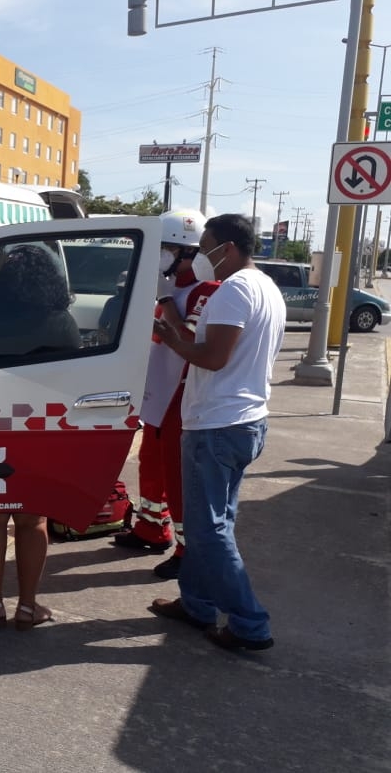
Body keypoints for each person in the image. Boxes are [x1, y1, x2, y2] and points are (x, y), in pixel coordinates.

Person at [149, 213, 285, 651]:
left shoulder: (234, 290)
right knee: (214, 521)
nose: (200, 253)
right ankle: (197, 603)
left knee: (207, 529)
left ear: (226, 248)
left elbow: (211, 357)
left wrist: (169, 337)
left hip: (218, 424)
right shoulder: (266, 287)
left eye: (205, 244)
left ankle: (249, 623)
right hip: (243, 420)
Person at [0, 243, 80, 630]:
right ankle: (28, 607)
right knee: (33, 522)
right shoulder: (60, 320)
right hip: (38, 433)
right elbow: (75, 379)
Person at [112, 210, 220, 581]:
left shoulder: (207, 292)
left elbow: (186, 341)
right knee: (151, 465)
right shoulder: (168, 288)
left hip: (183, 399)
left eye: (168, 248)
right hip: (158, 397)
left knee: (176, 477)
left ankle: (187, 549)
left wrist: (164, 297)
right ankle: (150, 527)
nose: (160, 254)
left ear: (189, 253)